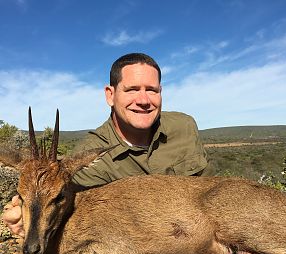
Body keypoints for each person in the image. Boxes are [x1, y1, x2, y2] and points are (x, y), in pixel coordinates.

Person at [2, 53, 210, 237]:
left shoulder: (184, 126)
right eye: (132, 89)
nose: (144, 100)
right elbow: (54, 190)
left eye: (152, 90)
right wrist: (24, 210)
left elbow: (207, 182)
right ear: (110, 95)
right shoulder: (91, 153)